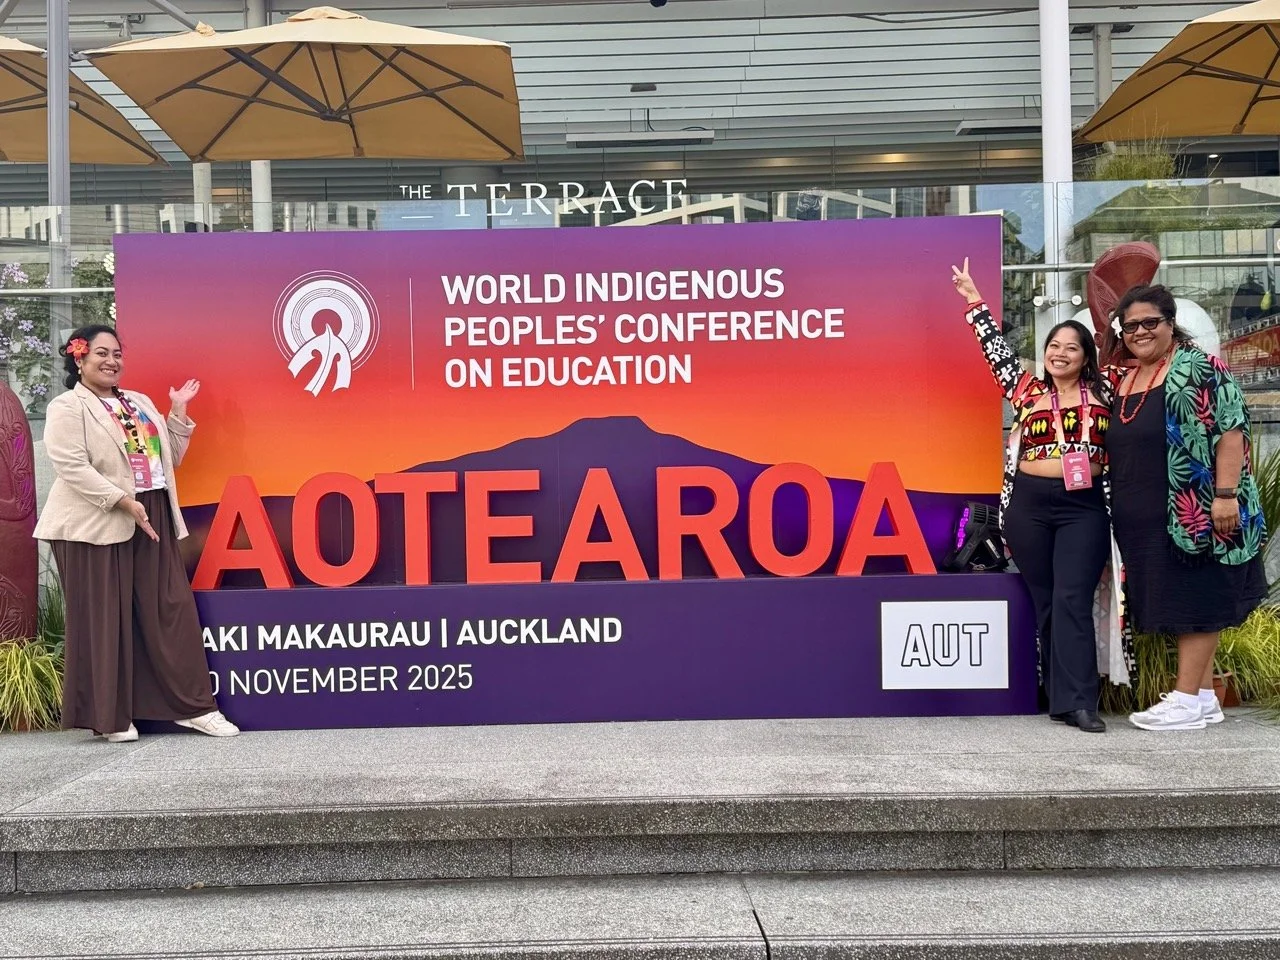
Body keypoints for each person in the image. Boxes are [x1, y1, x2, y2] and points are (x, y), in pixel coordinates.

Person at [34, 324, 239, 742]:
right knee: (103, 618)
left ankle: (194, 707)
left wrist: (177, 411)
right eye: (101, 354)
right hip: (94, 521)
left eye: (116, 354)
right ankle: (110, 717)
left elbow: (171, 459)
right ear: (79, 358)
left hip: (153, 512)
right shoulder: (67, 408)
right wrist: (122, 501)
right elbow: (71, 467)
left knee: (170, 608)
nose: (112, 361)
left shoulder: (140, 403)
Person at [951, 259, 1113, 733]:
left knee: (1071, 598)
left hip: (1082, 508)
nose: (1060, 353)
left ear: (1086, 356)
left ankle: (1081, 702)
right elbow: (994, 350)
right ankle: (1056, 696)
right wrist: (973, 300)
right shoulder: (1025, 391)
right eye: (1053, 346)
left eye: (1071, 347)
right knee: (1045, 600)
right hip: (1029, 505)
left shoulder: (1107, 395)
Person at [1107, 286, 1267, 731]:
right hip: (1146, 518)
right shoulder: (1127, 375)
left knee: (1195, 600)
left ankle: (1183, 700)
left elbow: (1231, 429)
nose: (1140, 332)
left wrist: (1225, 495)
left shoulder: (1196, 366)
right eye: (1130, 325)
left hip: (1194, 510)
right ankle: (1201, 697)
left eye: (1150, 322)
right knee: (1187, 598)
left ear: (1169, 322)